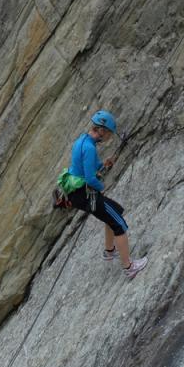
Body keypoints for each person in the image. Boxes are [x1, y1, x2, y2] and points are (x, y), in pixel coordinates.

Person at [64, 110, 147, 278]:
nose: (109, 137)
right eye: (109, 133)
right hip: (85, 193)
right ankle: (129, 267)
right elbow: (89, 178)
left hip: (78, 193)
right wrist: (101, 187)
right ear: (101, 130)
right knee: (120, 225)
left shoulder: (82, 141)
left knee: (114, 212)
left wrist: (104, 164)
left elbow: (87, 167)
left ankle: (110, 251)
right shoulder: (89, 148)